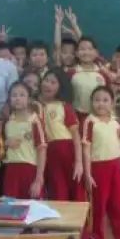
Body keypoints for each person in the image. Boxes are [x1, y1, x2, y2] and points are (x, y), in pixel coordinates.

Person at [81, 86, 120, 239]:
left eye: (105, 100)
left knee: (118, 207)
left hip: (115, 166)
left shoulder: (116, 122)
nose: (100, 104)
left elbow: (119, 147)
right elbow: (86, 150)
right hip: (98, 168)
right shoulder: (90, 121)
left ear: (112, 103)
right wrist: (88, 174)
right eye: (96, 100)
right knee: (98, 207)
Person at [39, 68, 85, 201]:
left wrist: (78, 162)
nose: (48, 84)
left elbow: (75, 135)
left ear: (60, 87)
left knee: (76, 189)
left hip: (67, 150)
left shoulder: (65, 106)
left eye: (53, 82)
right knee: (57, 190)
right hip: (49, 152)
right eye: (46, 80)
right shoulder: (36, 107)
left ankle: (80, 221)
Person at [3, 82, 47, 199]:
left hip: (29, 170)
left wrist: (39, 178)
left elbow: (41, 150)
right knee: (11, 208)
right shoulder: (8, 122)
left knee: (31, 208)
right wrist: (5, 143)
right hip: (11, 170)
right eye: (14, 95)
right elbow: (2, 145)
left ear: (29, 99)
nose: (18, 98)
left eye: (22, 95)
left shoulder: (34, 121)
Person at [68, 37, 110, 124]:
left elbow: (109, 97)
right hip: (78, 118)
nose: (86, 52)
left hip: (100, 119)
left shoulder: (103, 74)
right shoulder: (71, 73)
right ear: (76, 53)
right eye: (82, 49)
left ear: (96, 53)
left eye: (90, 49)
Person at [53, 5, 82, 71]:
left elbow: (83, 43)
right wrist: (58, 23)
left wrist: (74, 25)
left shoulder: (80, 67)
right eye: (64, 53)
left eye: (72, 53)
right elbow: (57, 46)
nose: (68, 56)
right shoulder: (59, 68)